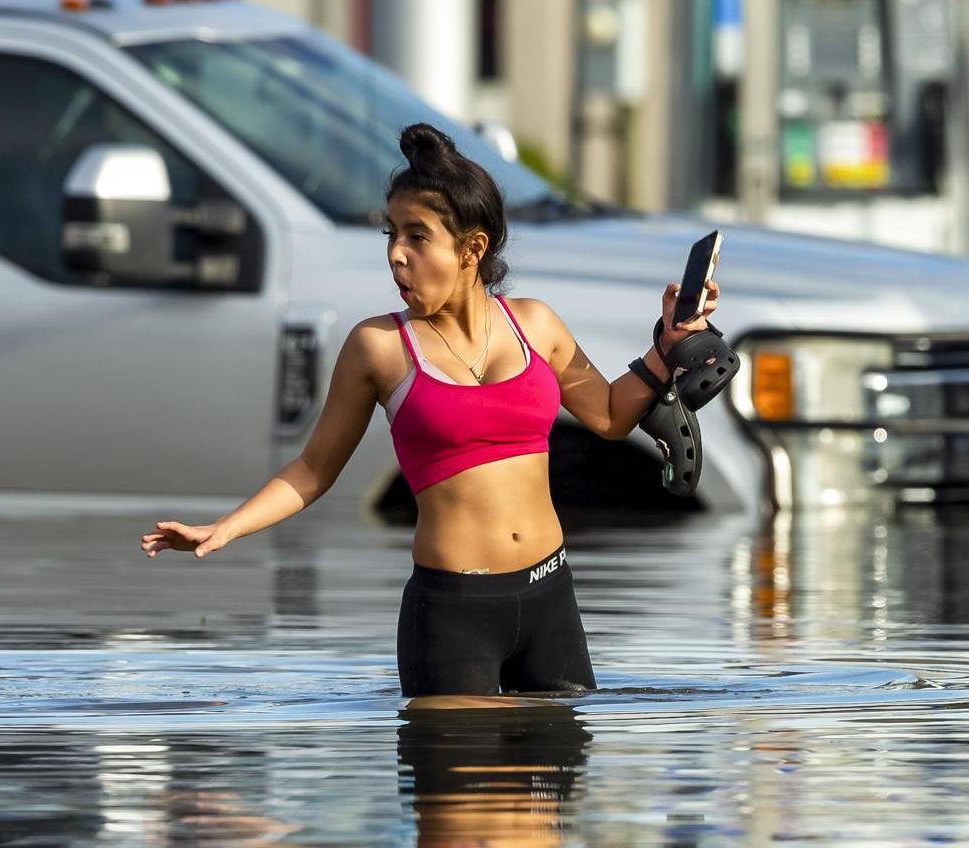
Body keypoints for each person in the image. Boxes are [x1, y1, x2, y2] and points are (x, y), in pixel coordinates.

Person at [140, 123, 720, 697]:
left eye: (417, 237)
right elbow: (314, 469)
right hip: (453, 614)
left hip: (550, 598)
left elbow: (612, 416)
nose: (396, 255)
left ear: (472, 248)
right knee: (459, 782)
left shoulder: (536, 325)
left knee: (554, 786)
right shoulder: (380, 347)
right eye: (392, 235)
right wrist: (226, 527)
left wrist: (667, 345)